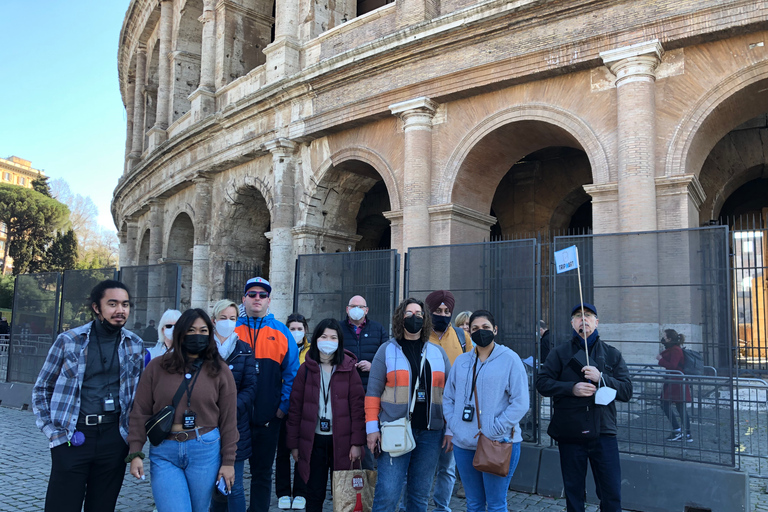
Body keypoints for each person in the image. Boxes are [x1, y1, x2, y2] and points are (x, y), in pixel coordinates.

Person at [32, 280, 144, 512]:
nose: (120, 310)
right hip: (74, 436)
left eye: (125, 304)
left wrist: (131, 442)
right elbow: (42, 388)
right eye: (112, 304)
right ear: (96, 307)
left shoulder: (136, 345)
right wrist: (54, 434)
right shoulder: (69, 341)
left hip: (114, 438)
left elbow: (139, 397)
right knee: (61, 506)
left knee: (103, 507)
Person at [127, 308, 238, 512]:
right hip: (164, 450)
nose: (198, 335)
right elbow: (140, 410)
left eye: (203, 330)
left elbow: (229, 420)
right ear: (180, 333)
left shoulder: (220, 370)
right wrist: (135, 452)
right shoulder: (156, 367)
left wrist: (228, 462)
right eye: (191, 330)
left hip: (205, 448)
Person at [536, 303, 632, 512]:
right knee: (574, 494)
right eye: (578, 316)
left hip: (604, 432)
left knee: (611, 493)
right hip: (571, 431)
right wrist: (572, 388)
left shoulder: (612, 354)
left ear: (596, 322)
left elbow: (626, 391)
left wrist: (602, 378)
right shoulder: (559, 353)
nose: (583, 319)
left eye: (588, 315)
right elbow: (542, 383)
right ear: (572, 323)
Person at [366, 298, 451, 512]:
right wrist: (371, 429)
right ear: (400, 318)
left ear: (425, 319)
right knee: (388, 493)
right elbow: (373, 393)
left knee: (419, 496)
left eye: (419, 314)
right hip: (395, 429)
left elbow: (450, 394)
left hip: (431, 434)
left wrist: (450, 428)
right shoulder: (386, 350)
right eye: (409, 313)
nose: (415, 317)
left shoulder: (437, 353)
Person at [443, 310, 529, 512]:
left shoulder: (510, 359)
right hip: (464, 444)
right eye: (475, 328)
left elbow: (521, 402)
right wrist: (455, 424)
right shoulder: (461, 362)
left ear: (495, 330)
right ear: (469, 332)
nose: (480, 332)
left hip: (498, 442)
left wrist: (496, 428)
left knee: (496, 504)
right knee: (473, 503)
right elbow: (448, 397)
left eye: (485, 328)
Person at [286, 318, 366, 512]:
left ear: (339, 341)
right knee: (314, 494)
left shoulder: (348, 369)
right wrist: (294, 445)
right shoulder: (305, 369)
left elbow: (357, 408)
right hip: (313, 442)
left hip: (343, 442)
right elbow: (295, 409)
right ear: (316, 339)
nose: (328, 340)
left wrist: (357, 443)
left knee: (344, 494)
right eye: (324, 336)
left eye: (333, 337)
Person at [234, 277, 299, 512]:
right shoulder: (232, 329)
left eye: (262, 295)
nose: (257, 299)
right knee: (230, 472)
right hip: (235, 418)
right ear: (244, 299)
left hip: (268, 418)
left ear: (269, 300)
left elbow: (292, 373)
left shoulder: (281, 331)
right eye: (252, 294)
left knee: (262, 474)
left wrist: (283, 407)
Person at [424, 290, 472, 512]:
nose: (443, 315)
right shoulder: (421, 336)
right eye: (438, 311)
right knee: (420, 467)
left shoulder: (463, 338)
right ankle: (412, 506)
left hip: (453, 413)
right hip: (425, 411)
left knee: (448, 468)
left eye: (447, 311)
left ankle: (442, 507)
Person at [209, 300, 258, 512]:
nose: (228, 323)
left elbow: (251, 387)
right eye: (223, 318)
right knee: (209, 486)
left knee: (234, 486)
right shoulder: (203, 348)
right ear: (213, 320)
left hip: (236, 425)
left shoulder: (244, 350)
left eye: (232, 319)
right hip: (207, 423)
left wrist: (231, 408)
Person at [338, 294, 387, 470]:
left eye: (360, 307)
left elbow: (386, 358)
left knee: (369, 433)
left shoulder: (378, 329)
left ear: (366, 310)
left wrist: (373, 365)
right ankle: (344, 475)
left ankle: (369, 476)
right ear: (347, 309)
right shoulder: (338, 329)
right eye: (353, 306)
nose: (357, 309)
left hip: (370, 390)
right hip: (344, 391)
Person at [276, 313, 311, 510]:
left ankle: (300, 492)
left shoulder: (312, 351)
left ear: (305, 330)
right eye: (292, 328)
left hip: (305, 407)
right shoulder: (280, 346)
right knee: (282, 452)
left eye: (299, 328)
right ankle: (282, 492)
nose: (296, 332)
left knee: (302, 451)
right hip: (283, 406)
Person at [656, 329, 692, 442]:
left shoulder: (676, 350)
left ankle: (680, 431)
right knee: (676, 407)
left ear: (670, 339)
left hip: (676, 382)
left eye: (664, 337)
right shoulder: (672, 349)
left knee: (674, 406)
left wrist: (661, 360)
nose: (663, 339)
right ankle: (684, 433)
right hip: (673, 381)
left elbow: (673, 365)